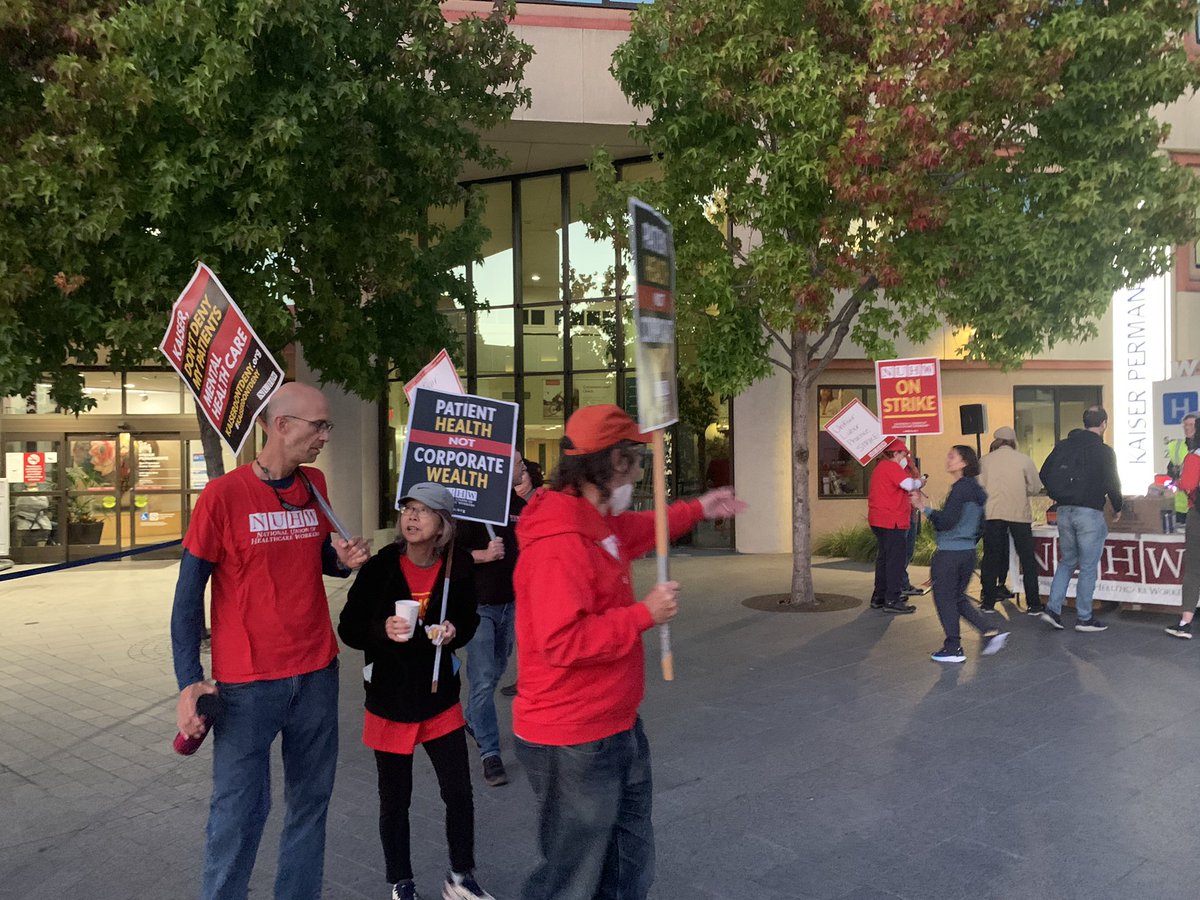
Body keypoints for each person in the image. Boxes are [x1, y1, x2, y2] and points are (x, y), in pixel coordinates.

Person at [512, 404, 745, 900]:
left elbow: (638, 531)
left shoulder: (595, 520)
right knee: (571, 878)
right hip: (573, 737)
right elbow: (562, 642)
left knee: (626, 864)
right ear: (616, 462)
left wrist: (700, 508)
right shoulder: (561, 540)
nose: (640, 475)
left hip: (613, 724)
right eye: (638, 463)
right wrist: (645, 614)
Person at [170, 382, 371, 900]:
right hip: (246, 686)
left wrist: (340, 562)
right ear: (281, 426)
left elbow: (316, 557)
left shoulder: (316, 484)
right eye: (318, 425)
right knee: (238, 811)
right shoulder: (222, 496)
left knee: (310, 805)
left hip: (317, 673)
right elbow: (188, 595)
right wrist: (189, 681)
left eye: (327, 425)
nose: (325, 435)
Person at [337, 482, 493, 900]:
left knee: (458, 791)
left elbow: (469, 618)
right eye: (408, 507)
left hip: (439, 699)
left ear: (442, 524)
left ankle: (461, 877)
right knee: (395, 801)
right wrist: (381, 630)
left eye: (424, 511)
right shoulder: (381, 567)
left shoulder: (456, 566)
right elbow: (349, 627)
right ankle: (401, 883)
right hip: (390, 700)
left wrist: (454, 630)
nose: (412, 516)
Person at [459, 451, 531, 787]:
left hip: (512, 603)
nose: (524, 468)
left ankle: (473, 716)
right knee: (484, 679)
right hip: (479, 606)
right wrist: (483, 555)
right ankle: (490, 753)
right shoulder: (474, 508)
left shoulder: (519, 507)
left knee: (498, 666)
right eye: (518, 463)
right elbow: (451, 553)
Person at [915, 446, 1009, 662]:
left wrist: (924, 508)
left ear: (964, 462)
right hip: (967, 552)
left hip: (949, 553)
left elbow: (947, 521)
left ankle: (953, 647)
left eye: (952, 456)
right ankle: (989, 630)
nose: (947, 459)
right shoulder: (976, 490)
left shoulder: (960, 489)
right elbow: (981, 525)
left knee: (945, 599)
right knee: (956, 597)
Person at [1038, 406, 1123, 633]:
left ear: (1084, 422)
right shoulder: (1104, 451)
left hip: (1064, 511)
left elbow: (1044, 473)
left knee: (1067, 561)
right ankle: (1084, 618)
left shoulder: (1063, 446)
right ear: (1104, 424)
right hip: (1090, 513)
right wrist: (1118, 506)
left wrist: (1058, 494)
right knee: (1087, 567)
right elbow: (1112, 482)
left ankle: (1053, 609)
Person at [977, 425, 1045, 614]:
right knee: (1027, 558)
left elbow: (978, 487)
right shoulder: (1023, 459)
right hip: (1018, 514)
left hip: (992, 513)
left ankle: (988, 602)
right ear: (1013, 441)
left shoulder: (985, 461)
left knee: (991, 557)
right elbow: (1035, 487)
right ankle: (1033, 604)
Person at [868, 438, 923, 613]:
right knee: (895, 561)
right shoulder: (891, 467)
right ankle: (892, 599)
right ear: (896, 453)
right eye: (903, 454)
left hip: (879, 520)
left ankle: (879, 596)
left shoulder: (879, 468)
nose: (905, 457)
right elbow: (909, 484)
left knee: (884, 559)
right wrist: (922, 481)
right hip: (893, 520)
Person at [1164, 430, 1200, 638]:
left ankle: (1185, 622)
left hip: (1197, 516)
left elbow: (1187, 485)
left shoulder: (1194, 456)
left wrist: (1176, 484)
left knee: (1194, 570)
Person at [1167, 413, 1197, 527]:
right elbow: (1170, 470)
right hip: (1181, 506)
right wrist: (1175, 474)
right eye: (1185, 425)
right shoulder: (1177, 446)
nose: (1187, 428)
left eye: (1191, 424)